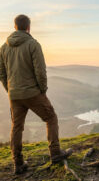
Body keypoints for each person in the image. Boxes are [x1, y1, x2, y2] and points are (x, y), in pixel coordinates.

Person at [0, 14, 73, 175]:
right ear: (28, 27)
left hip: (14, 95)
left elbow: (2, 73)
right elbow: (40, 71)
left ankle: (18, 163)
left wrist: (10, 90)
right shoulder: (33, 44)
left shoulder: (4, 47)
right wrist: (42, 89)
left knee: (16, 127)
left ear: (14, 27)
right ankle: (55, 153)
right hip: (33, 92)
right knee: (51, 118)